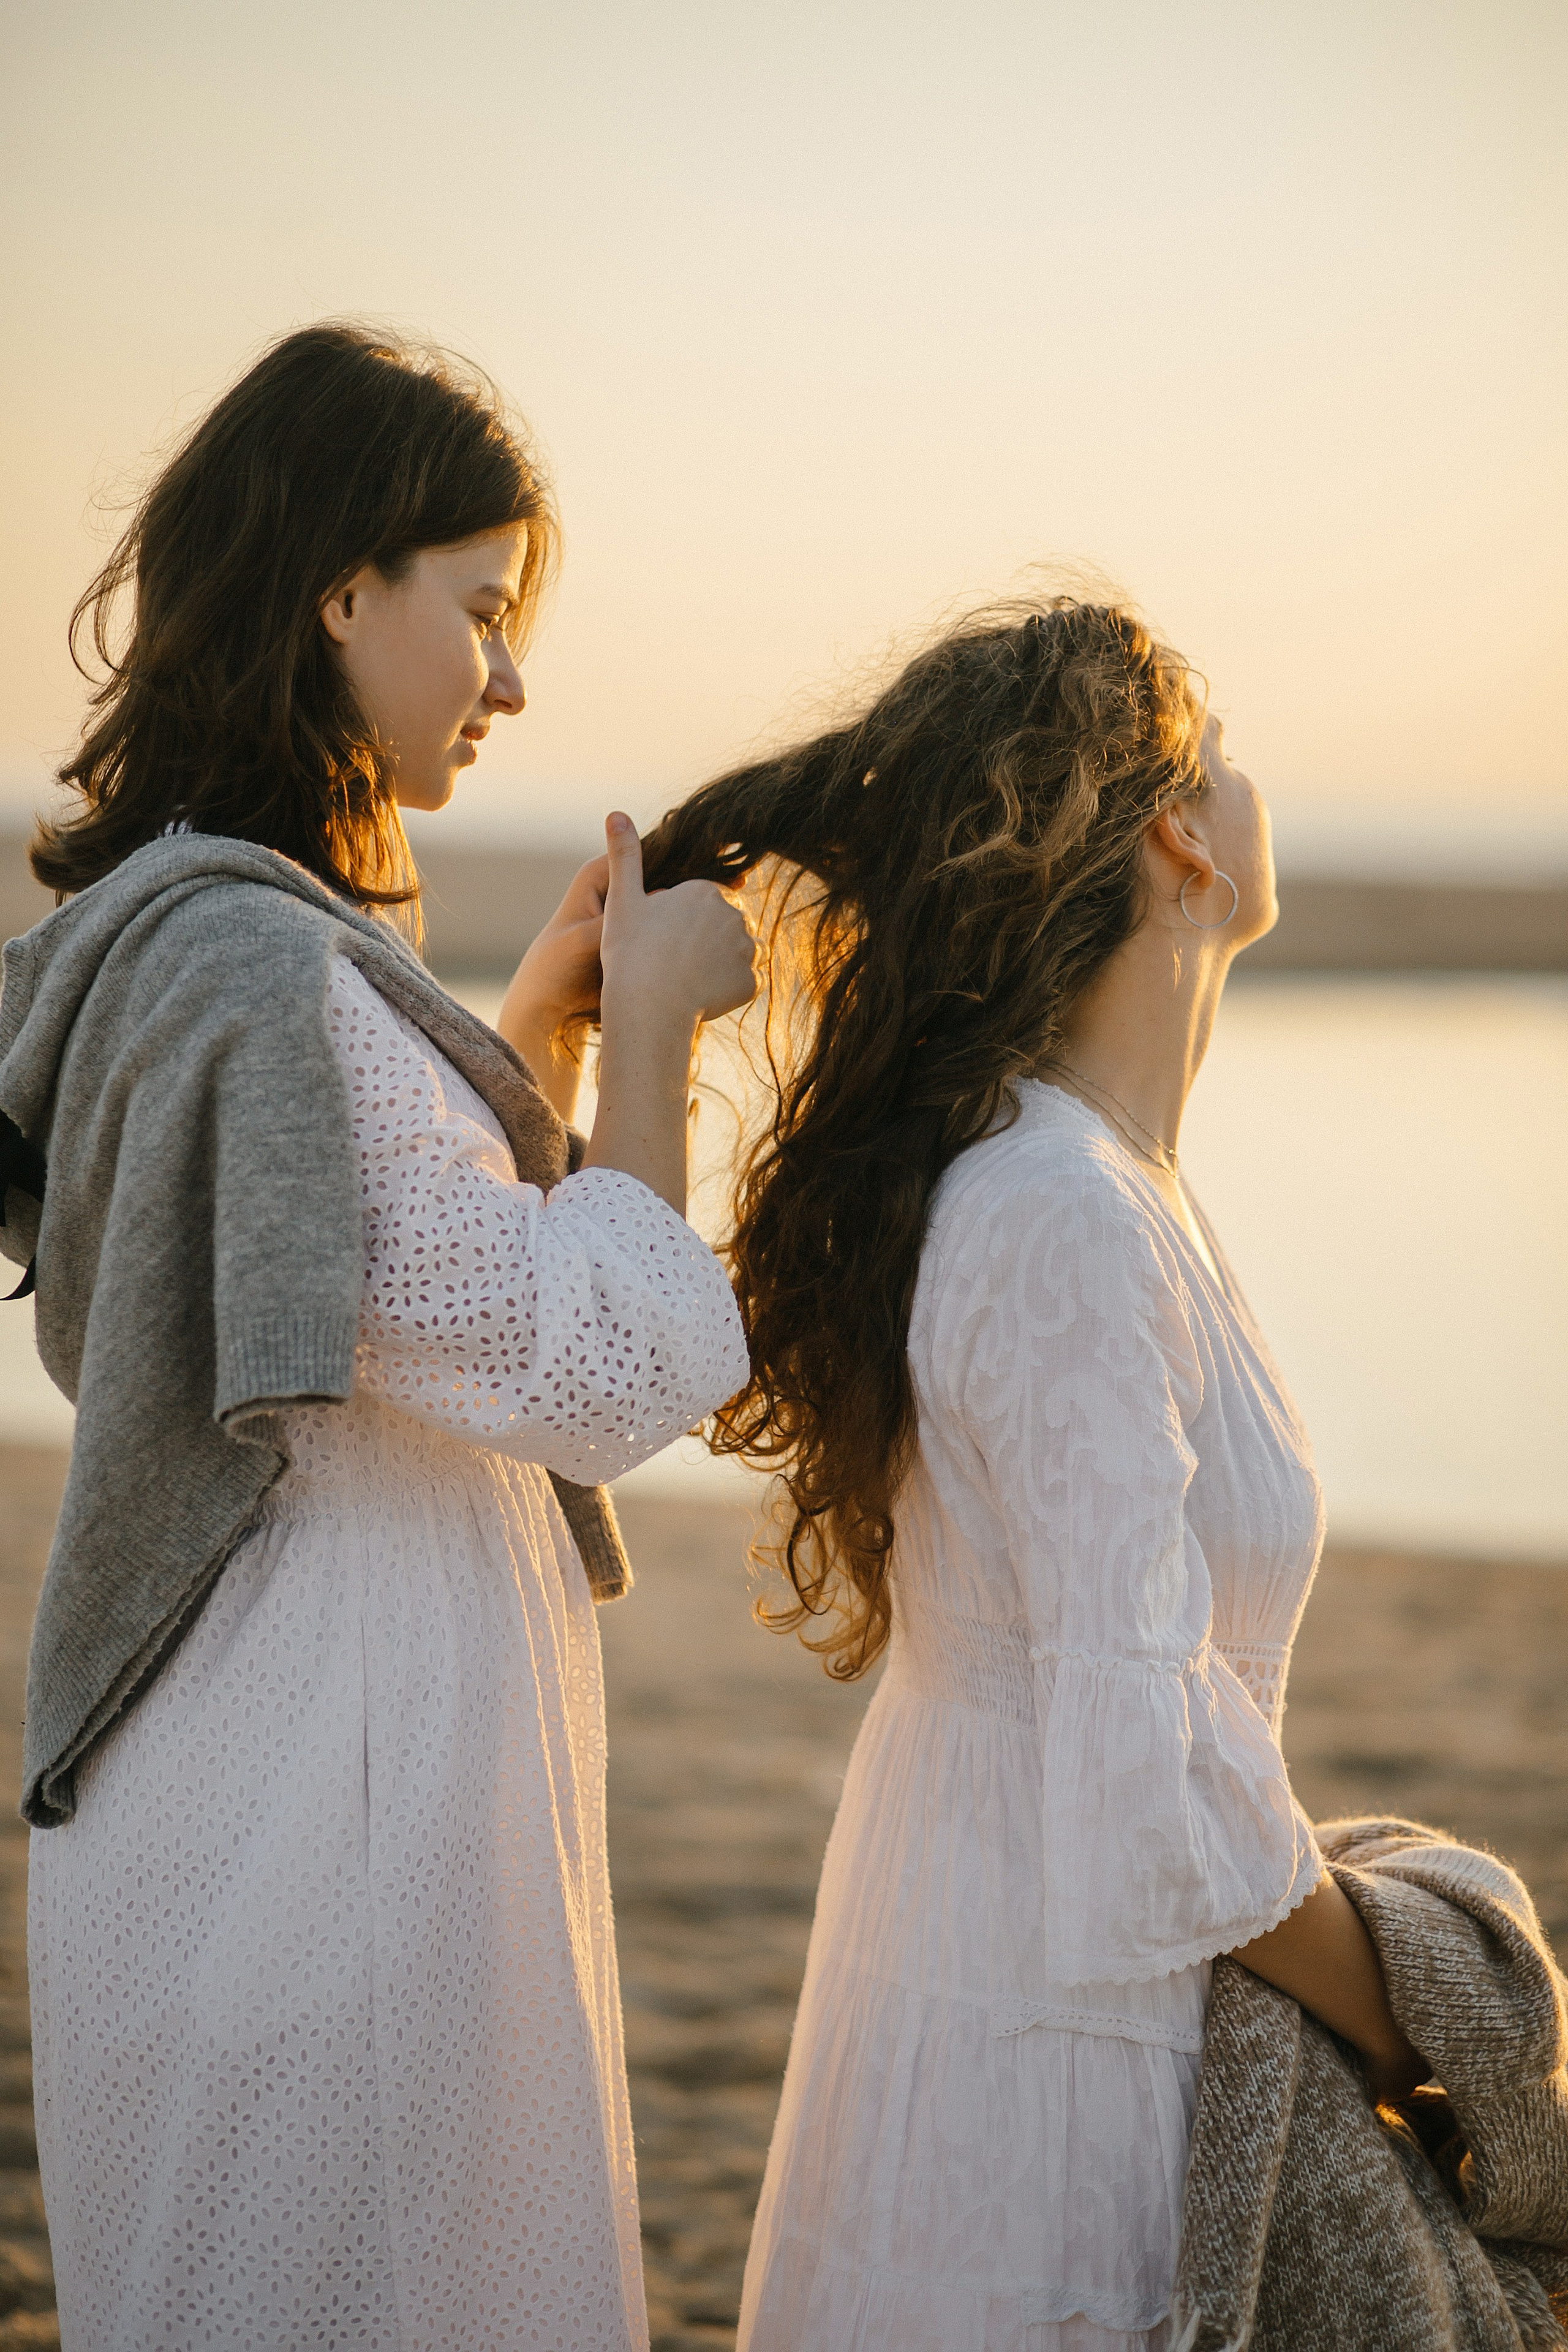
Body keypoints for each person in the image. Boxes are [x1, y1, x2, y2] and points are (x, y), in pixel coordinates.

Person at [1, 323, 755, 2350]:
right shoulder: (266, 964)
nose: (511, 677)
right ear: (344, 588)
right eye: (484, 611)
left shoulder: (198, 932)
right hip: (328, 1817)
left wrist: (528, 1047)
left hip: (272, 1780)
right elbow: (597, 1379)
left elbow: (352, 1282)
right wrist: (667, 1033)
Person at [641, 597, 1428, 2352]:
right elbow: (1145, 1787)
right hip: (1055, 2060)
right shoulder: (1064, 1211)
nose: (1249, 775)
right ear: (1175, 836)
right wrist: (1420, 2024)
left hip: (1043, 1973)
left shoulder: (1104, 1186)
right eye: (1218, 746)